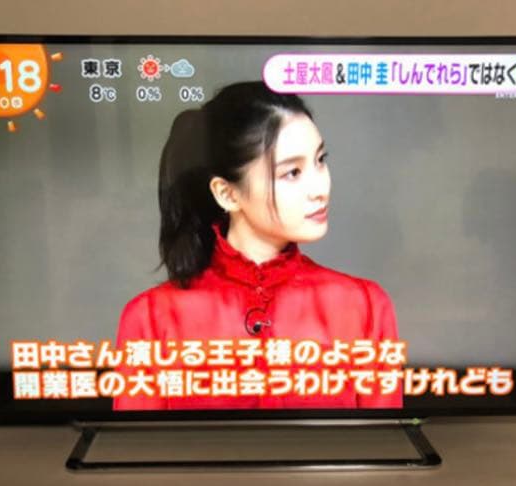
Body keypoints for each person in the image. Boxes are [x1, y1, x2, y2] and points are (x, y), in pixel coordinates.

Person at [113, 81, 402, 411]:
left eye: (321, 160)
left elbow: (384, 439)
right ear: (227, 193)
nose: (320, 187)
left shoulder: (364, 306)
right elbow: (138, 443)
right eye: (292, 172)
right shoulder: (151, 319)